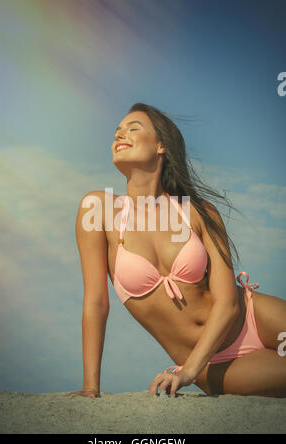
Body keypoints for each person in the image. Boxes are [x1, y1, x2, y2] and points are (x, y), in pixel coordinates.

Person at [70, 103, 286, 399]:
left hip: (255, 316)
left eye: (133, 128)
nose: (120, 134)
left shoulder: (198, 212)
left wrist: (186, 371)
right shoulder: (98, 209)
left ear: (161, 145)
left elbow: (227, 303)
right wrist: (91, 386)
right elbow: (95, 302)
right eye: (117, 130)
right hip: (212, 363)